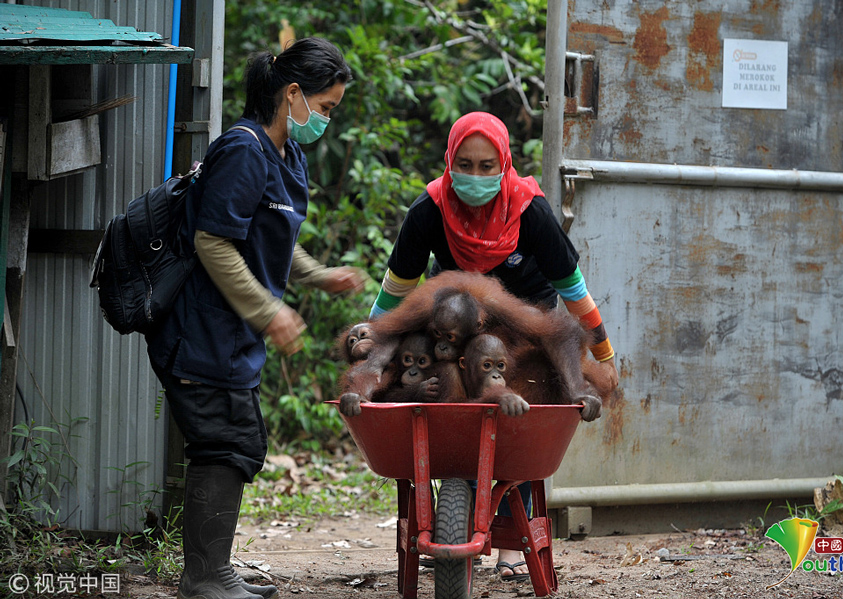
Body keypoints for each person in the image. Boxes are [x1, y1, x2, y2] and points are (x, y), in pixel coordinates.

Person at [146, 38, 365, 599]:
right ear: (293, 93)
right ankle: (205, 577)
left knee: (234, 441)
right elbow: (214, 241)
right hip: (202, 331)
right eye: (326, 106)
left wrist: (319, 275)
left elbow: (275, 235)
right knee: (226, 441)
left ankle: (213, 569)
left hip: (232, 336)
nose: (328, 119)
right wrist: (270, 311)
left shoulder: (288, 155)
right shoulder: (243, 150)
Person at [368, 111, 618, 582]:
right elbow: (397, 287)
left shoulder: (530, 210)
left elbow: (573, 290)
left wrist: (602, 353)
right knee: (450, 401)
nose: (476, 176)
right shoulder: (430, 209)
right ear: (449, 162)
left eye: (487, 167)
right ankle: (454, 514)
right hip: (458, 321)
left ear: (504, 164)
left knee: (520, 412)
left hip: (526, 322)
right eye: (465, 165)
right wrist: (373, 341)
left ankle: (508, 543)